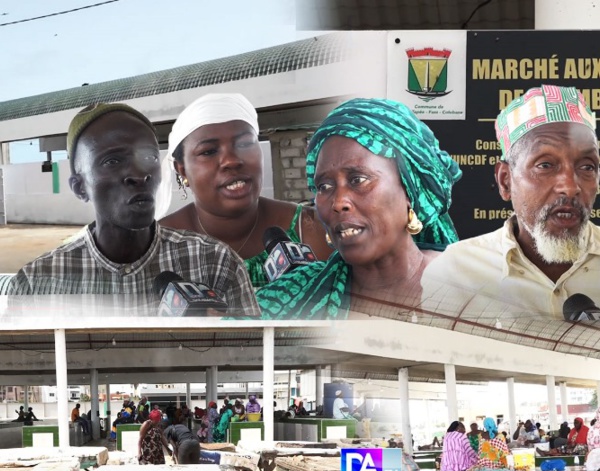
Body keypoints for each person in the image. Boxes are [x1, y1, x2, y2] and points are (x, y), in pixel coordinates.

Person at [9, 102, 259, 318]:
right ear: (80, 187)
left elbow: (257, 362)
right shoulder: (34, 284)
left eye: (149, 157)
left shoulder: (217, 264)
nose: (139, 175)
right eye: (113, 161)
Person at [256, 97, 461, 319]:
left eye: (358, 179)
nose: (338, 202)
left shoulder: (476, 289)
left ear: (409, 190)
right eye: (324, 186)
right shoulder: (286, 300)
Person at [423, 85, 600, 320]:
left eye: (587, 166)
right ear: (506, 181)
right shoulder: (454, 274)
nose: (570, 186)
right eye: (545, 165)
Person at [159, 93, 332, 288]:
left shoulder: (313, 228)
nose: (232, 160)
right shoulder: (157, 247)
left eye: (244, 144)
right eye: (208, 151)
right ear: (182, 169)